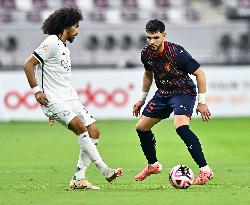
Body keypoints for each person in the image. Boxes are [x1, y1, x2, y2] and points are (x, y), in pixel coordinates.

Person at [23, 7, 122, 190]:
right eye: (76, 26)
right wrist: (37, 91)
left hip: (70, 98)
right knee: (79, 126)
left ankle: (79, 178)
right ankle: (104, 169)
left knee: (94, 131)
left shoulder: (64, 47)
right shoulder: (51, 42)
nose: (77, 30)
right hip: (53, 99)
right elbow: (28, 64)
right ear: (66, 26)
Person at [132, 19, 214, 185]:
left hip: (183, 92)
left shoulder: (177, 52)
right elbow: (148, 75)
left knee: (181, 127)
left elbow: (200, 74)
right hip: (163, 93)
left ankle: (205, 170)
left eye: (155, 37)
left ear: (164, 35)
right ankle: (153, 165)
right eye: (148, 38)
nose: (151, 42)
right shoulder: (146, 53)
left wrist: (202, 102)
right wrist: (142, 99)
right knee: (141, 127)